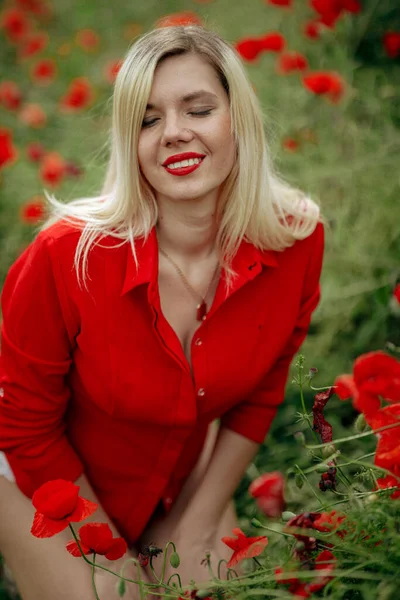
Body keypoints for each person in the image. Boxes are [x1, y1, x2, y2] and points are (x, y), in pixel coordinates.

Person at [0, 24, 324, 600]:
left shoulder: (296, 238)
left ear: (237, 120)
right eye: (148, 120)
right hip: (42, 480)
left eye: (198, 109)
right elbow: (24, 426)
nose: (174, 133)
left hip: (176, 474)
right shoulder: (65, 257)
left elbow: (262, 392)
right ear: (130, 143)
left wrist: (202, 521)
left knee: (216, 590)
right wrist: (111, 557)